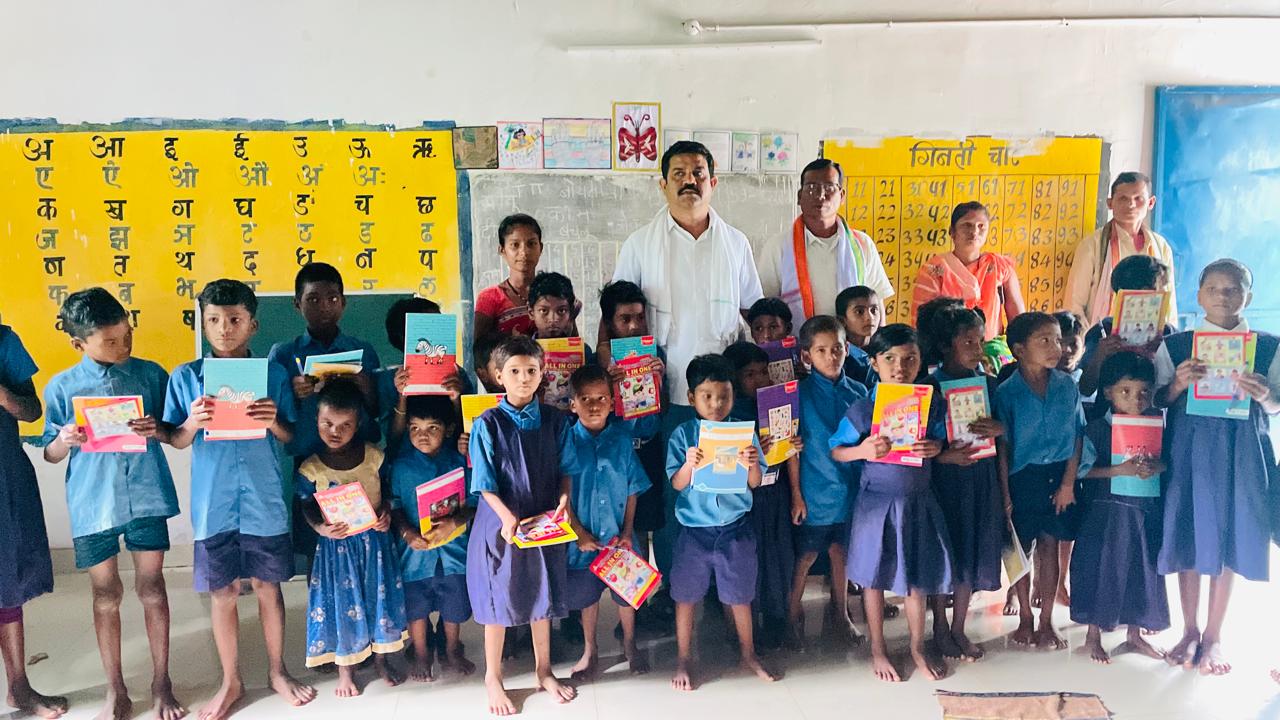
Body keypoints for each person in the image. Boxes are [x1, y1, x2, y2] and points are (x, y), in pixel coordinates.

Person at [164, 280, 315, 718]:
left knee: (268, 586)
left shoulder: (274, 374)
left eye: (234, 319)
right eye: (213, 320)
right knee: (223, 590)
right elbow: (176, 439)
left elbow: (290, 437)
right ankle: (230, 681)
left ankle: (277, 671)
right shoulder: (186, 377)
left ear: (253, 325)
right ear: (202, 324)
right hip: (213, 504)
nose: (224, 328)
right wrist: (192, 423)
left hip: (263, 498)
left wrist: (273, 421)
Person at [41, 288, 185, 720]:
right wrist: (65, 440)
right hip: (93, 503)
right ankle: (115, 689)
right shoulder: (62, 387)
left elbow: (174, 433)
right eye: (110, 341)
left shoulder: (151, 375)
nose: (124, 346)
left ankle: (162, 682)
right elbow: (50, 452)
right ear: (78, 343)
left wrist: (156, 429)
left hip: (147, 496)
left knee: (153, 588)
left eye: (127, 336)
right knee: (105, 594)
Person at [1154, 259, 1279, 676]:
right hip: (1189, 451)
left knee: (1230, 535)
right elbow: (1156, 400)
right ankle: (1189, 630)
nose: (1223, 297)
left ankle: (1214, 635)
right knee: (1189, 532)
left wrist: (1264, 394)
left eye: (1233, 289)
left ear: (1249, 296)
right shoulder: (1177, 346)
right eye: (1214, 289)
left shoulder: (1268, 347)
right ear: (1199, 295)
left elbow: (1277, 406)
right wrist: (1177, 384)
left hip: (1243, 453)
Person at [608, 140, 764, 425]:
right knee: (674, 453)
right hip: (662, 387)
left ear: (712, 183)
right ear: (663, 185)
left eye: (698, 173)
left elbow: (753, 312)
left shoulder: (736, 243)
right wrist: (607, 360)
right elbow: (614, 312)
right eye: (679, 173)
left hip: (725, 392)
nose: (689, 181)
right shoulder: (639, 244)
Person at [830, 324, 952, 683]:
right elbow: (837, 451)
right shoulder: (863, 409)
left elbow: (943, 442)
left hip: (917, 502)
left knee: (916, 579)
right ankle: (878, 649)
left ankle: (917, 647)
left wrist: (936, 448)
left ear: (921, 361)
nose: (900, 367)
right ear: (874, 363)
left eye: (910, 359)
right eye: (890, 359)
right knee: (873, 579)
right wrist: (862, 450)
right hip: (876, 506)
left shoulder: (931, 405)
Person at [466, 336, 582, 715]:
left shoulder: (556, 420)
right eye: (514, 371)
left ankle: (544, 670)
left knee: (541, 595)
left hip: (543, 521)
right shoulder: (488, 424)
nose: (523, 378)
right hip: (502, 526)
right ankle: (493, 677)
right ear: (498, 376)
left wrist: (564, 501)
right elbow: (484, 484)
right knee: (499, 601)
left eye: (531, 370)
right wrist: (506, 517)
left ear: (542, 373)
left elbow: (566, 470)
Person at [666, 354, 776, 690]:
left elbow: (755, 482)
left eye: (724, 396)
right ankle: (684, 658)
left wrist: (752, 462)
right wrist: (689, 464)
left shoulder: (743, 434)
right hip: (694, 532)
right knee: (686, 596)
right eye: (707, 396)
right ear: (691, 398)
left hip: (735, 529)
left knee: (740, 595)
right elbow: (677, 484)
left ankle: (748, 653)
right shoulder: (683, 435)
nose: (716, 404)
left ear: (733, 395)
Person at [297, 380, 407, 695]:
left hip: (375, 545)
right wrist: (320, 528)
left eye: (345, 425)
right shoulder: (311, 468)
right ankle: (345, 670)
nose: (335, 431)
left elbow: (388, 493)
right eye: (328, 424)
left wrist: (385, 512)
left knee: (376, 599)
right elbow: (305, 505)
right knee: (342, 604)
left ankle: (381, 660)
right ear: (316, 421)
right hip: (337, 549)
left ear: (357, 423)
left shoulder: (374, 457)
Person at [269, 262, 381, 570]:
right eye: (313, 299)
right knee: (316, 546)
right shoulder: (284, 354)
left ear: (343, 302)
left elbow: (376, 410)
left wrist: (364, 386)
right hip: (310, 462)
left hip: (360, 459)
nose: (324, 307)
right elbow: (273, 415)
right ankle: (321, 596)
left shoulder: (362, 350)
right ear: (297, 304)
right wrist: (294, 393)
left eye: (332, 299)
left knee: (365, 540)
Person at [995, 312, 1086, 651]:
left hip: (1059, 476)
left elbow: (1077, 436)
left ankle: (1046, 620)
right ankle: (1025, 619)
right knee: (1018, 550)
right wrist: (1005, 494)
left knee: (1051, 547)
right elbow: (1003, 448)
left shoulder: (1067, 386)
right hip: (1022, 478)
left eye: (1057, 340)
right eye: (1044, 341)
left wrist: (1067, 484)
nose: (1055, 348)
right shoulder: (1007, 393)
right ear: (1019, 349)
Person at [1071, 351, 1169, 665]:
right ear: (1108, 393)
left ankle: (1135, 633)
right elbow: (1081, 471)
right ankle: (1093, 635)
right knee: (1101, 570)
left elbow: (1168, 464)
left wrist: (1157, 466)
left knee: (1141, 569)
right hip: (1105, 515)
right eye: (1125, 391)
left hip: (1143, 513)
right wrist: (1119, 470)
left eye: (1144, 392)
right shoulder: (1097, 429)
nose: (1136, 399)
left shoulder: (1157, 425)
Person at [926, 307, 1006, 663]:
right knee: (945, 553)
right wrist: (945, 457)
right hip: (944, 483)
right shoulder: (929, 387)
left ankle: (959, 627)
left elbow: (1003, 437)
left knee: (971, 553)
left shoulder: (989, 383)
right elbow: (915, 445)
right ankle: (939, 628)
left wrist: (1000, 429)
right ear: (946, 345)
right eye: (968, 341)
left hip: (981, 478)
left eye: (980, 341)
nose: (977, 349)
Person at [562, 365, 651, 679]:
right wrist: (578, 532)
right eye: (585, 399)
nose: (594, 405)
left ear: (613, 403)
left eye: (601, 398)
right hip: (582, 541)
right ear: (572, 404)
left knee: (626, 594)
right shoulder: (567, 442)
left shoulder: (622, 441)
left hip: (618, 538)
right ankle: (590, 649)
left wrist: (627, 532)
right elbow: (562, 495)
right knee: (586, 598)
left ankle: (630, 643)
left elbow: (632, 488)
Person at [0, 322, 66, 719]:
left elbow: (32, 411)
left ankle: (18, 687)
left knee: (6, 580)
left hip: (3, 474)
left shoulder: (4, 340)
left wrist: (3, 396)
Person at [788, 316, 866, 650]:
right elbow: (790, 449)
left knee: (841, 553)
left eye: (837, 349)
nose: (831, 357)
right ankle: (792, 615)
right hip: (814, 491)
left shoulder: (859, 392)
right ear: (806, 355)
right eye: (821, 351)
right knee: (805, 556)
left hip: (850, 489)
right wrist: (796, 494)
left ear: (847, 349)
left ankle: (841, 613)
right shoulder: (798, 395)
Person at [388, 395, 475, 683]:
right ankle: (422, 652)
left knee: (454, 605)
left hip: (454, 551)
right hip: (415, 554)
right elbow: (394, 505)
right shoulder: (401, 467)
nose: (422, 436)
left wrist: (455, 522)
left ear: (448, 430)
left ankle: (451, 648)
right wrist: (406, 532)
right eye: (415, 428)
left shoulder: (460, 462)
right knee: (416, 607)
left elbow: (475, 502)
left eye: (432, 428)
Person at [723, 341, 798, 651]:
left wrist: (792, 446)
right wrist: (756, 453)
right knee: (749, 563)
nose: (759, 380)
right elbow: (723, 465)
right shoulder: (730, 415)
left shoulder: (777, 403)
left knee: (778, 558)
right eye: (749, 374)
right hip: (746, 502)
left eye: (763, 372)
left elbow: (790, 451)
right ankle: (745, 629)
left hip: (776, 493)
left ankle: (777, 620)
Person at [757, 158, 894, 325]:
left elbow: (877, 300)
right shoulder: (778, 246)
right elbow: (765, 306)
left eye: (829, 187)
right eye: (811, 187)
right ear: (799, 197)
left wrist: (880, 340)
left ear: (842, 196)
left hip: (854, 341)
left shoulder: (862, 243)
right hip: (798, 340)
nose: (820, 195)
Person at [1066, 172, 1178, 329]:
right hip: (1104, 338)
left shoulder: (1161, 246)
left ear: (1151, 203)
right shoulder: (1093, 245)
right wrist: (1092, 339)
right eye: (1123, 199)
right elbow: (1074, 306)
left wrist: (1167, 337)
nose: (1131, 205)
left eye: (1138, 198)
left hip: (1150, 336)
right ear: (1110, 203)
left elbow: (1169, 304)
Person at [912, 202, 1025, 341]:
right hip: (948, 350)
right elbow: (921, 326)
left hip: (993, 349)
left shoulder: (1000, 266)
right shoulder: (934, 270)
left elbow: (1020, 322)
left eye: (981, 226)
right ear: (952, 232)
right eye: (967, 225)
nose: (974, 232)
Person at [377, 296, 470, 456]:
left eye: (439, 325)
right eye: (428, 326)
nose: (436, 332)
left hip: (451, 460)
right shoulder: (389, 379)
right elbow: (392, 439)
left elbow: (468, 429)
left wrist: (456, 399)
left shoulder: (456, 373)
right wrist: (402, 396)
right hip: (407, 462)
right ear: (404, 336)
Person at [1078, 255, 1175, 397]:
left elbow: (1175, 391)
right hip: (1109, 410)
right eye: (1157, 290)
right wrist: (1100, 355)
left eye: (1165, 290)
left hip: (1154, 409)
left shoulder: (1168, 333)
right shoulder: (1103, 330)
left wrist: (1162, 354)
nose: (1163, 295)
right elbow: (1086, 389)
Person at [474, 213, 544, 339]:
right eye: (515, 245)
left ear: (541, 248)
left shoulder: (557, 293)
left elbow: (573, 344)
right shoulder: (490, 298)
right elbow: (479, 348)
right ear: (502, 250)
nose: (524, 252)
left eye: (531, 244)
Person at [836, 285, 881, 387]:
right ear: (842, 321)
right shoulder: (839, 356)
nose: (870, 317)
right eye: (859, 312)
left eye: (874, 310)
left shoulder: (885, 346)